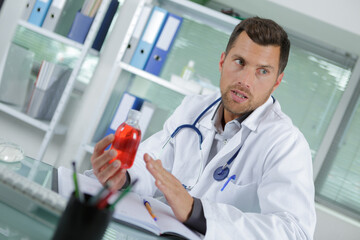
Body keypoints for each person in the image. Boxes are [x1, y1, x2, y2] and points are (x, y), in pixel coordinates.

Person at [90, 17, 316, 239]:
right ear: (222, 61)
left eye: (263, 71)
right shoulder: (193, 107)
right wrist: (124, 176)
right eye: (240, 62)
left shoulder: (286, 144)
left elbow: (293, 232)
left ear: (277, 81)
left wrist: (196, 211)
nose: (246, 80)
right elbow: (152, 163)